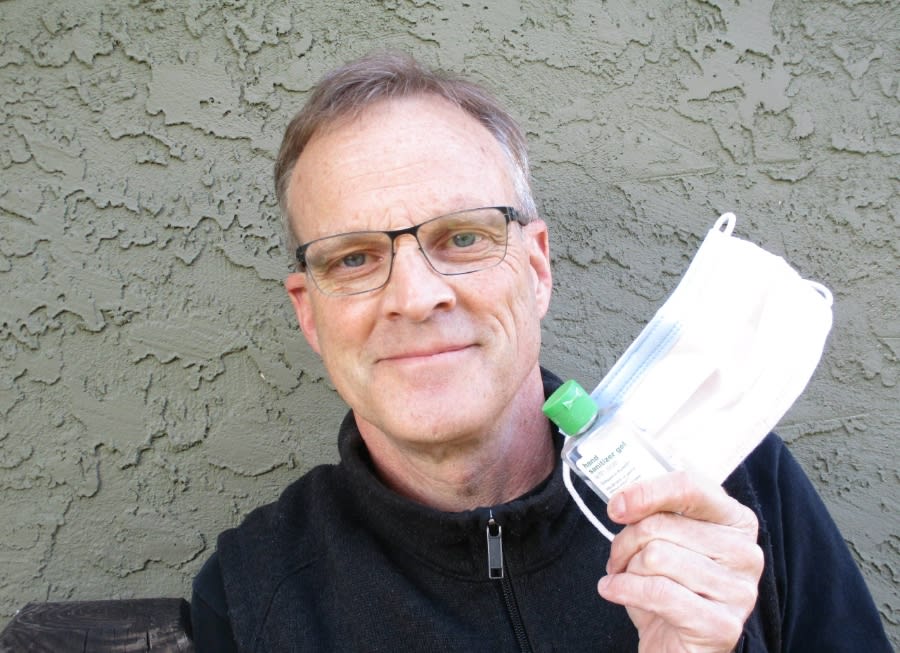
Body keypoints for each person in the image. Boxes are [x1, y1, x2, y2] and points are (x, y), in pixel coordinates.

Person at [190, 52, 891, 652]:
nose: (414, 295)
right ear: (310, 314)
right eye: (353, 257)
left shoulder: (731, 484)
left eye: (462, 237)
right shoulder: (255, 592)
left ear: (538, 269)